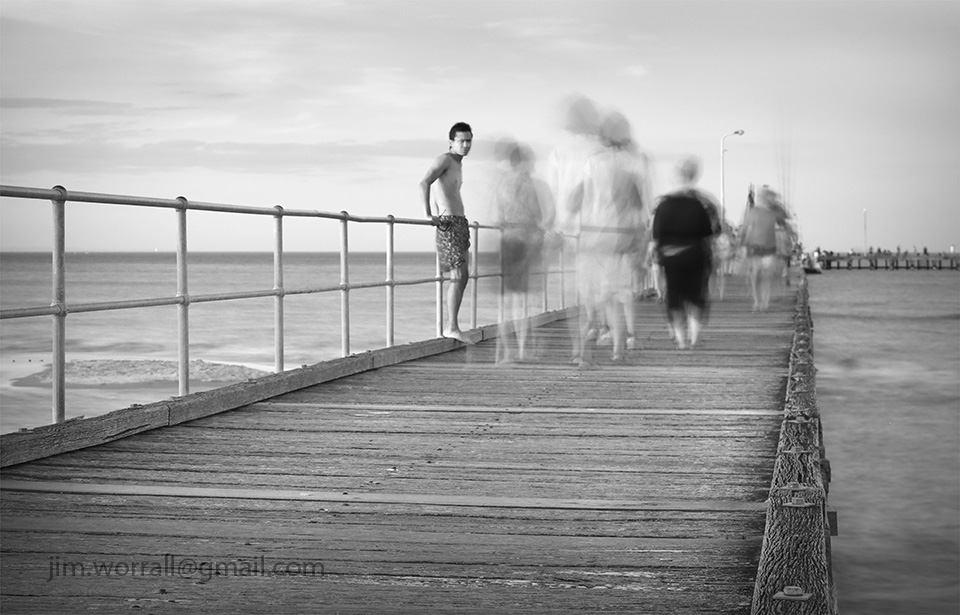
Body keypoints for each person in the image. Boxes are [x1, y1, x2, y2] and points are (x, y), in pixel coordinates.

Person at [574, 111, 649, 363]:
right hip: (623, 235)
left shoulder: (593, 162)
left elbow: (582, 199)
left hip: (597, 235)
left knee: (602, 293)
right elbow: (639, 204)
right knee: (621, 292)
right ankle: (619, 346)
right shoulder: (632, 163)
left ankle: (596, 342)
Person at [494, 140, 553, 363]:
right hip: (528, 242)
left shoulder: (502, 184)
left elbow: (497, 217)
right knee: (524, 300)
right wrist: (540, 228)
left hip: (508, 241)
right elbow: (548, 215)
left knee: (508, 301)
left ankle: (506, 353)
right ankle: (521, 350)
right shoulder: (536, 185)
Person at [651, 157, 718, 349]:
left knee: (674, 295)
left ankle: (680, 339)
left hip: (670, 257)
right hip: (695, 254)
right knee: (696, 295)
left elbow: (656, 235)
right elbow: (708, 233)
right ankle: (694, 337)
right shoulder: (699, 204)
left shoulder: (663, 205)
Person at [420, 122, 474, 343]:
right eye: (461, 141)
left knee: (464, 276)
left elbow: (443, 191)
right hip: (449, 224)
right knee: (457, 276)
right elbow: (425, 182)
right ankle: (451, 327)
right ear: (451, 142)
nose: (466, 145)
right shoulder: (444, 159)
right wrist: (428, 214)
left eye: (469, 141)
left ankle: (454, 326)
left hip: (460, 223)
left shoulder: (458, 164)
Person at [739, 185, 796, 311]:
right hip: (754, 247)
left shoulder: (775, 212)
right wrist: (742, 244)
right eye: (769, 198)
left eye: (772, 198)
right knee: (755, 275)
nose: (771, 200)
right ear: (763, 198)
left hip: (770, 248)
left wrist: (791, 235)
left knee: (767, 276)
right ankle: (756, 301)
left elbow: (785, 223)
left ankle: (765, 301)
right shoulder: (753, 212)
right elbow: (746, 229)